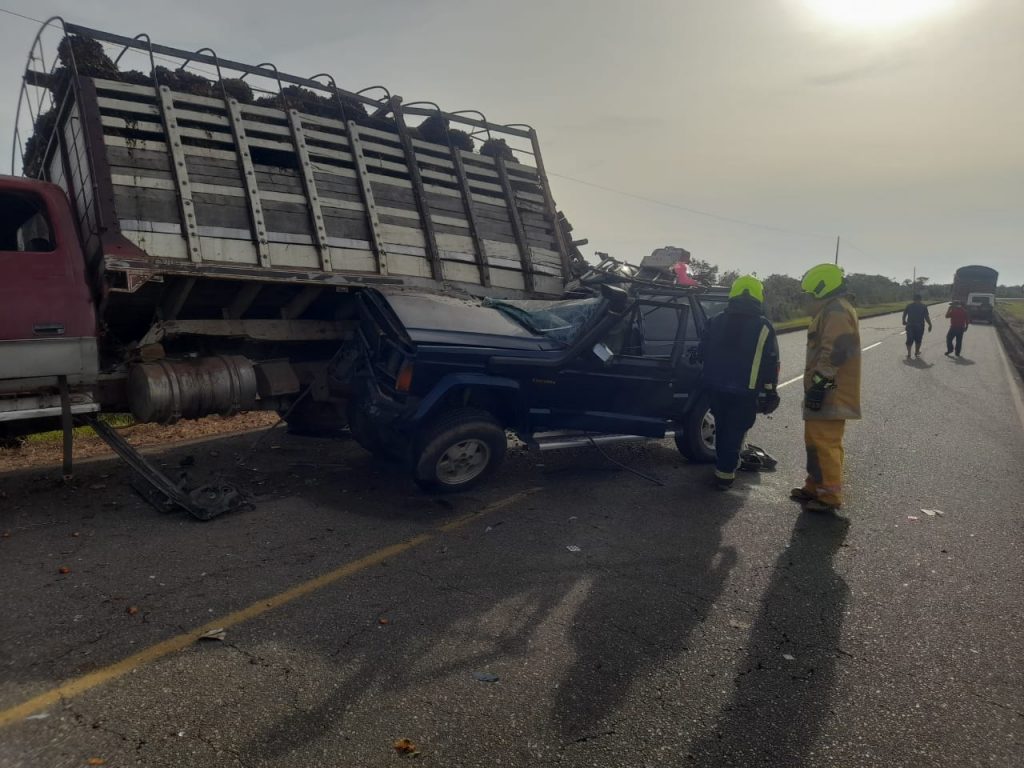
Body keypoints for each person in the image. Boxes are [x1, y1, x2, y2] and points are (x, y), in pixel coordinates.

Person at [790, 263, 861, 514]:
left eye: (810, 293)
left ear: (822, 288)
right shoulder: (830, 310)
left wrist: (819, 386)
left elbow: (834, 353)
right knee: (815, 441)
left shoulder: (837, 312)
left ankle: (829, 496)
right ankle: (814, 487)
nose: (807, 299)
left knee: (825, 442)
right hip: (825, 388)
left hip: (831, 391)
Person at [699, 275, 780, 490]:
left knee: (724, 427)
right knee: (735, 430)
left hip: (715, 387)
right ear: (757, 297)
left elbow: (702, 351)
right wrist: (770, 392)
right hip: (745, 390)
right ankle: (725, 475)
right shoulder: (763, 327)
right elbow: (770, 363)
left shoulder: (715, 321)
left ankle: (725, 464)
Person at [901, 293, 932, 358]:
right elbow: (926, 316)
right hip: (919, 326)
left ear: (913, 299)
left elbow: (904, 313)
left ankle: (909, 353)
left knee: (909, 340)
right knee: (918, 339)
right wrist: (930, 324)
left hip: (910, 325)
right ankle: (916, 352)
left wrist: (903, 320)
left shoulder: (909, 306)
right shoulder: (923, 306)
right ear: (920, 299)